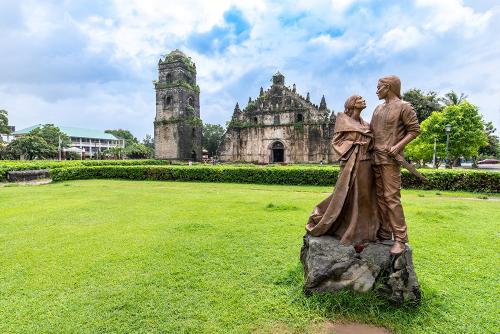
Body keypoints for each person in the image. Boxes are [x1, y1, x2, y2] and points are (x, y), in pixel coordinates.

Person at [306, 95, 379, 245]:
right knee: (345, 195)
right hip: (350, 164)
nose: (364, 100)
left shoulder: (366, 123)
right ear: (352, 104)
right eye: (359, 99)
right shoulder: (343, 120)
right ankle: (343, 227)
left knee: (365, 197)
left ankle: (365, 231)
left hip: (366, 164)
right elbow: (336, 142)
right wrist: (354, 143)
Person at [371, 75, 420, 254]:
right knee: (380, 199)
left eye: (379, 87)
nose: (376, 90)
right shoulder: (377, 109)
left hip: (391, 160)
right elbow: (371, 132)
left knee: (392, 198)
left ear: (389, 87)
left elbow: (414, 130)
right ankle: (384, 233)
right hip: (375, 158)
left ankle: (400, 238)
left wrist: (398, 146)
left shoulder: (404, 107)